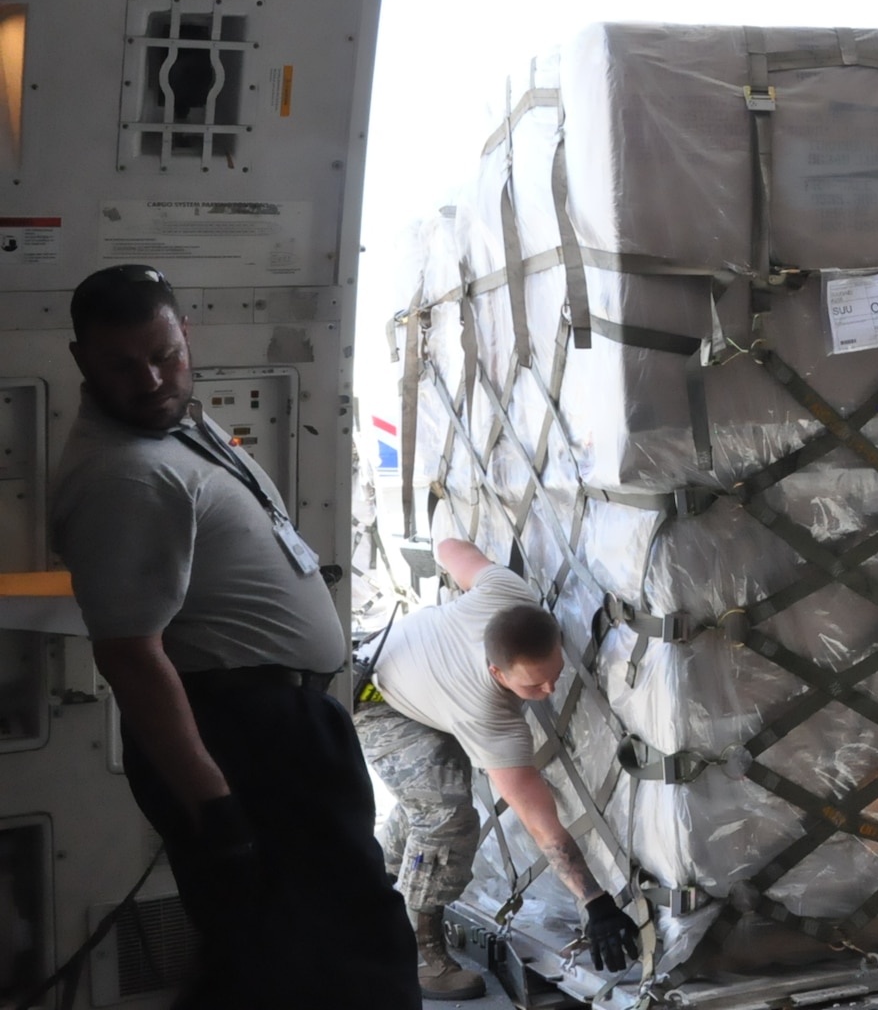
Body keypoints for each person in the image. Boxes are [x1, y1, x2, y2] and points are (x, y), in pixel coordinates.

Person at [50, 265, 418, 1009]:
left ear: (188, 335)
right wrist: (214, 807)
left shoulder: (176, 423)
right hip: (247, 741)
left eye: (165, 354)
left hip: (282, 726)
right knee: (347, 954)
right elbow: (129, 654)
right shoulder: (126, 476)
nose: (151, 378)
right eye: (123, 364)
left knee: (279, 956)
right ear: (82, 361)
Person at [356, 536, 641, 999]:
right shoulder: (489, 716)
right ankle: (418, 953)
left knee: (425, 800)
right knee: (445, 814)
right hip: (378, 696)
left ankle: (373, 886)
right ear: (497, 673)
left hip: (419, 673)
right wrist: (593, 899)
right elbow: (538, 820)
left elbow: (450, 547)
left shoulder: (506, 592)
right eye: (533, 685)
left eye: (554, 673)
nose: (549, 690)